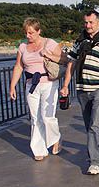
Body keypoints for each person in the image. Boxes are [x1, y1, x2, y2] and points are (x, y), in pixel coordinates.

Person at [60, 10, 99, 175]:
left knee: (95, 125)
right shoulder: (80, 41)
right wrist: (65, 86)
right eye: (86, 22)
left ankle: (95, 161)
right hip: (82, 89)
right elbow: (71, 63)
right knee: (89, 125)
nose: (88, 25)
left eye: (91, 22)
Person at [9, 17, 62, 161]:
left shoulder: (49, 43)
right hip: (31, 85)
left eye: (31, 33)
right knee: (35, 117)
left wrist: (48, 54)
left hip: (49, 83)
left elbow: (64, 60)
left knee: (47, 117)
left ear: (39, 31)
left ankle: (55, 139)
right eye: (26, 32)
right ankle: (39, 149)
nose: (28, 36)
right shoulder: (22, 47)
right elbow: (19, 66)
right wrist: (12, 85)